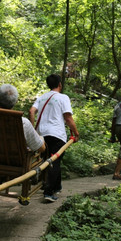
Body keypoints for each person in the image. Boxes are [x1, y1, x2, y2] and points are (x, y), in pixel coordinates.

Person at [29, 74, 79, 203]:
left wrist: (34, 129)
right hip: (56, 134)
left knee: (50, 159)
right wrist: (76, 132)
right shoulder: (63, 97)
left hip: (42, 134)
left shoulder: (41, 97)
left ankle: (57, 186)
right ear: (60, 84)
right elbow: (68, 118)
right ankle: (49, 192)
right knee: (54, 160)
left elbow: (31, 111)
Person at [0, 84, 46, 153]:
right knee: (41, 139)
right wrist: (41, 139)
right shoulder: (23, 123)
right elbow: (41, 148)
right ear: (15, 102)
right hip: (17, 162)